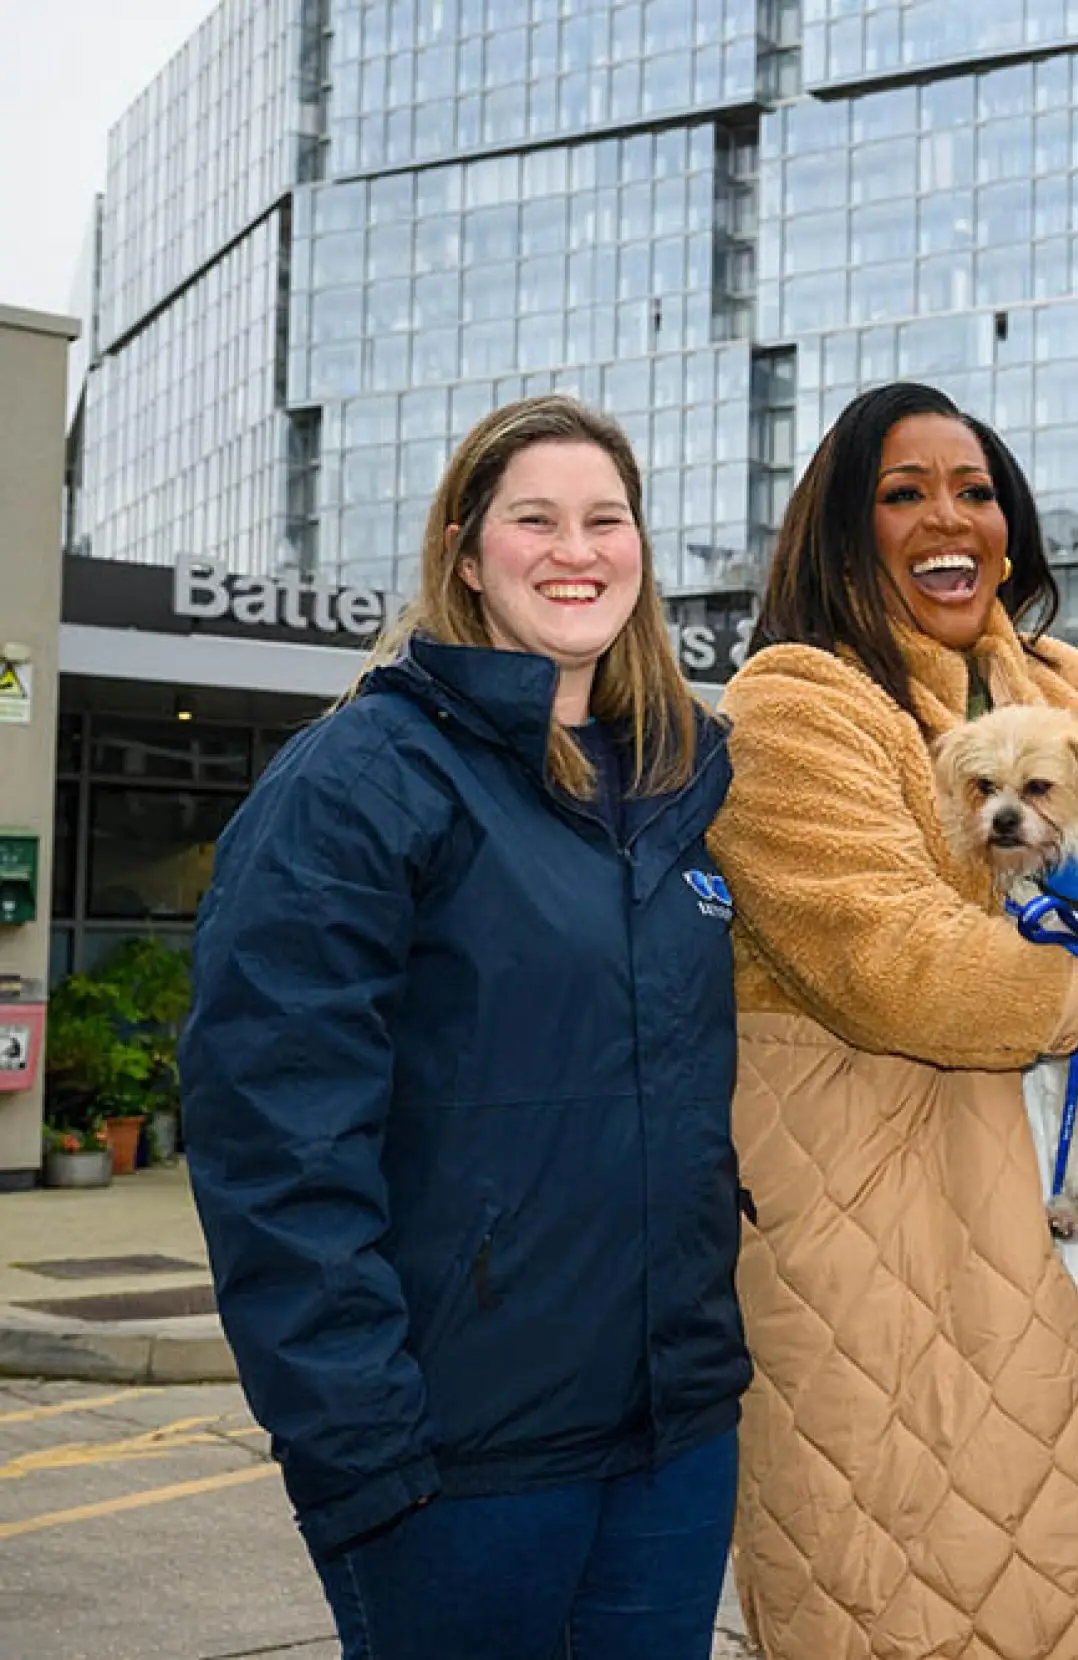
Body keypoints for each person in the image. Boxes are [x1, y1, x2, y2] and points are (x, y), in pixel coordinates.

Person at [181, 395, 748, 1659]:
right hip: (455, 1459)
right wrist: (361, 1444)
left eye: (607, 518)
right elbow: (273, 1135)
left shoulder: (678, 787)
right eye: (533, 518)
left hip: (673, 1439)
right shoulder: (363, 778)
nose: (575, 548)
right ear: (463, 551)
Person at [709, 382, 1078, 1659]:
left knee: (1070, 1590)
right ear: (842, 531)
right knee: (918, 1598)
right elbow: (892, 959)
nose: (948, 518)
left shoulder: (1071, 683)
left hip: (1072, 1239)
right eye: (903, 493)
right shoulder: (795, 699)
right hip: (889, 1248)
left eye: (975, 491)